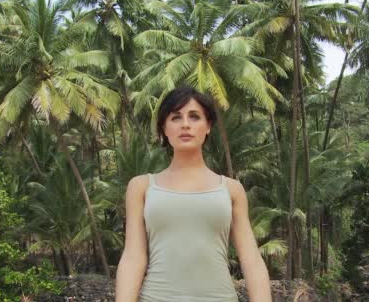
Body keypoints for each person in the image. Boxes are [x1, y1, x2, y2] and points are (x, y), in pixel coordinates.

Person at [115, 86, 272, 301]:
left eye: (195, 117)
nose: (185, 124)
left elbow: (251, 259)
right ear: (164, 128)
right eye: (176, 118)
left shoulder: (231, 189)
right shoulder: (141, 187)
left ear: (208, 126)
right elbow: (133, 257)